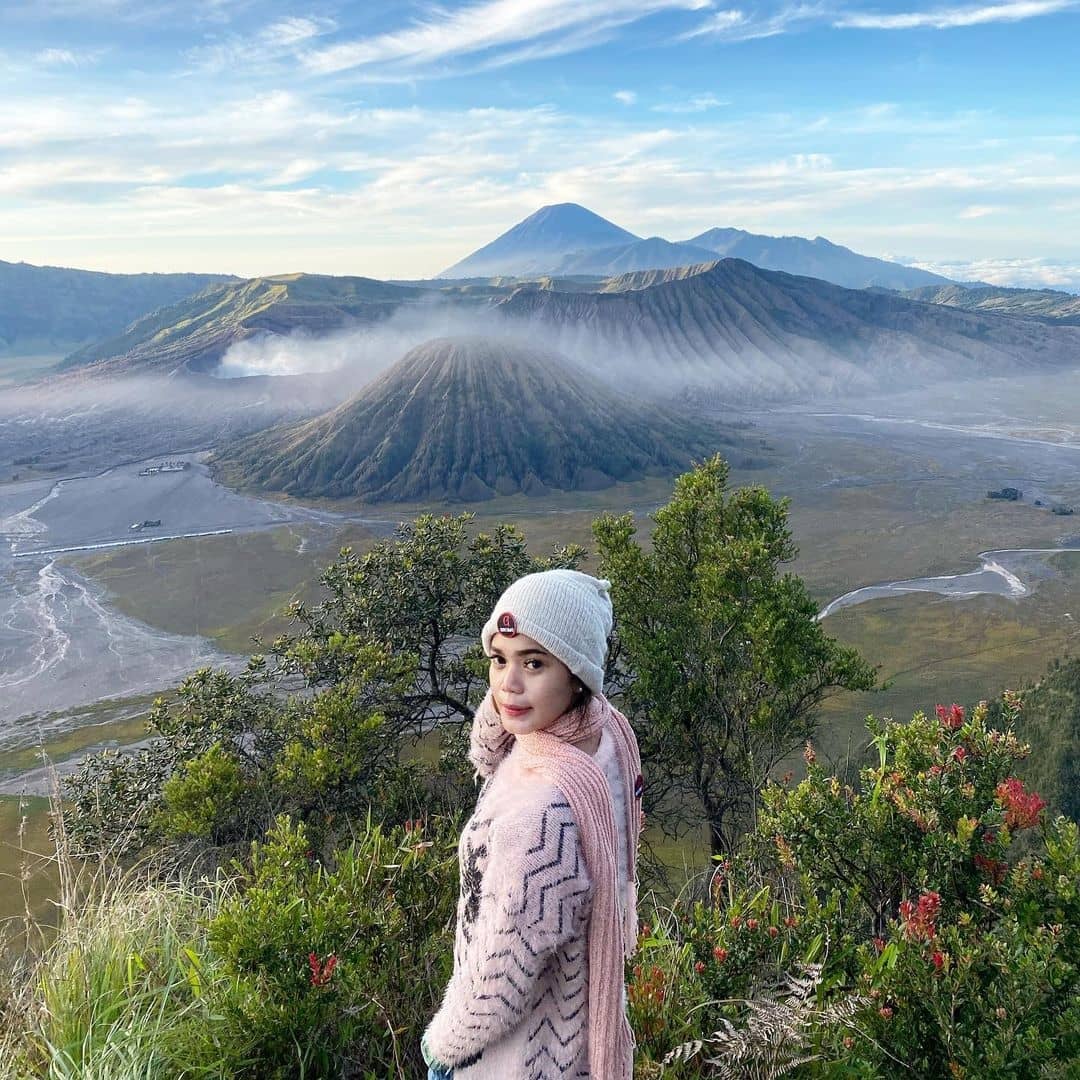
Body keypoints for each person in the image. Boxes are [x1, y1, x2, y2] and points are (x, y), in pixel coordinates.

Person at [421, 569, 643, 1080]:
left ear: (577, 674)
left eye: (535, 663)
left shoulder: (539, 814)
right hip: (572, 1038)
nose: (508, 685)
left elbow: (503, 969)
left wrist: (443, 1047)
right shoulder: (602, 737)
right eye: (499, 660)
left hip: (510, 1058)